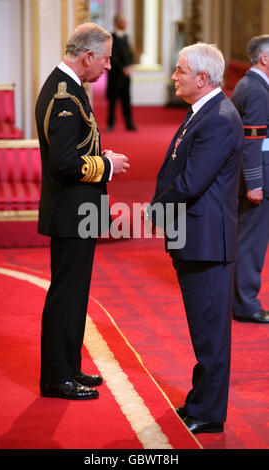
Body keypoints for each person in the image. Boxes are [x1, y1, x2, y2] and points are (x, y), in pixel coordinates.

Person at [147, 43, 244, 434]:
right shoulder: (203, 112)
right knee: (203, 329)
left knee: (210, 332)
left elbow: (190, 181)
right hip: (196, 236)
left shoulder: (218, 117)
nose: (174, 76)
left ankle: (209, 411)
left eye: (180, 71)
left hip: (206, 242)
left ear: (202, 79)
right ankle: (201, 400)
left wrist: (155, 210)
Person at [35, 22, 129, 400]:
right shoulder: (64, 95)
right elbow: (62, 163)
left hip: (77, 210)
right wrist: (105, 167)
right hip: (71, 211)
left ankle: (68, 366)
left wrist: (99, 155)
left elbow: (75, 147)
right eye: (105, 59)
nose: (108, 67)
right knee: (66, 295)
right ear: (88, 56)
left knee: (75, 295)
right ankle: (57, 377)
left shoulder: (72, 88)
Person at [231, 35, 269, 324]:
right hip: (259, 177)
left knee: (250, 239)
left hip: (258, 173)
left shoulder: (253, 85)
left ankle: (242, 299)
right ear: (264, 59)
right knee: (251, 243)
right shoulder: (257, 90)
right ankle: (245, 304)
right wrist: (255, 183)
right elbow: (252, 139)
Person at [106, 14, 136, 131]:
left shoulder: (126, 37)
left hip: (126, 76)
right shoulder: (111, 38)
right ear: (117, 23)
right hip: (115, 75)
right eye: (123, 21)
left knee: (126, 100)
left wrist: (129, 67)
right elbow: (112, 57)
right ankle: (110, 123)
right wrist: (122, 68)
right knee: (113, 101)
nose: (125, 23)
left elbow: (130, 54)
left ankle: (129, 123)